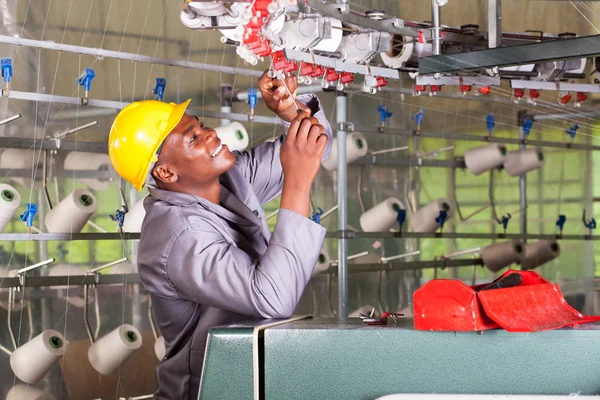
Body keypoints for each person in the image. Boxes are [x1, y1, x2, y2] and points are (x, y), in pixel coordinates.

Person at [107, 70, 332, 399]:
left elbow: (313, 149)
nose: (210, 134)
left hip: (250, 374)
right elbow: (273, 298)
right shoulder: (178, 238)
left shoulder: (228, 177)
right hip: (206, 389)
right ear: (166, 172)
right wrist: (298, 184)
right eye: (193, 138)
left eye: (199, 125)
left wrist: (290, 110)